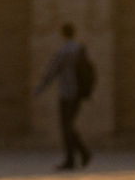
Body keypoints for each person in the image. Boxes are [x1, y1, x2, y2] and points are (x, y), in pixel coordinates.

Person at [33, 22, 95, 170]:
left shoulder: (64, 52)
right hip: (78, 93)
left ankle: (74, 158)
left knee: (66, 126)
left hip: (67, 93)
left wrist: (39, 89)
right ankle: (82, 154)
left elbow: (51, 71)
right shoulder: (80, 49)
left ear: (62, 34)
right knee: (69, 125)